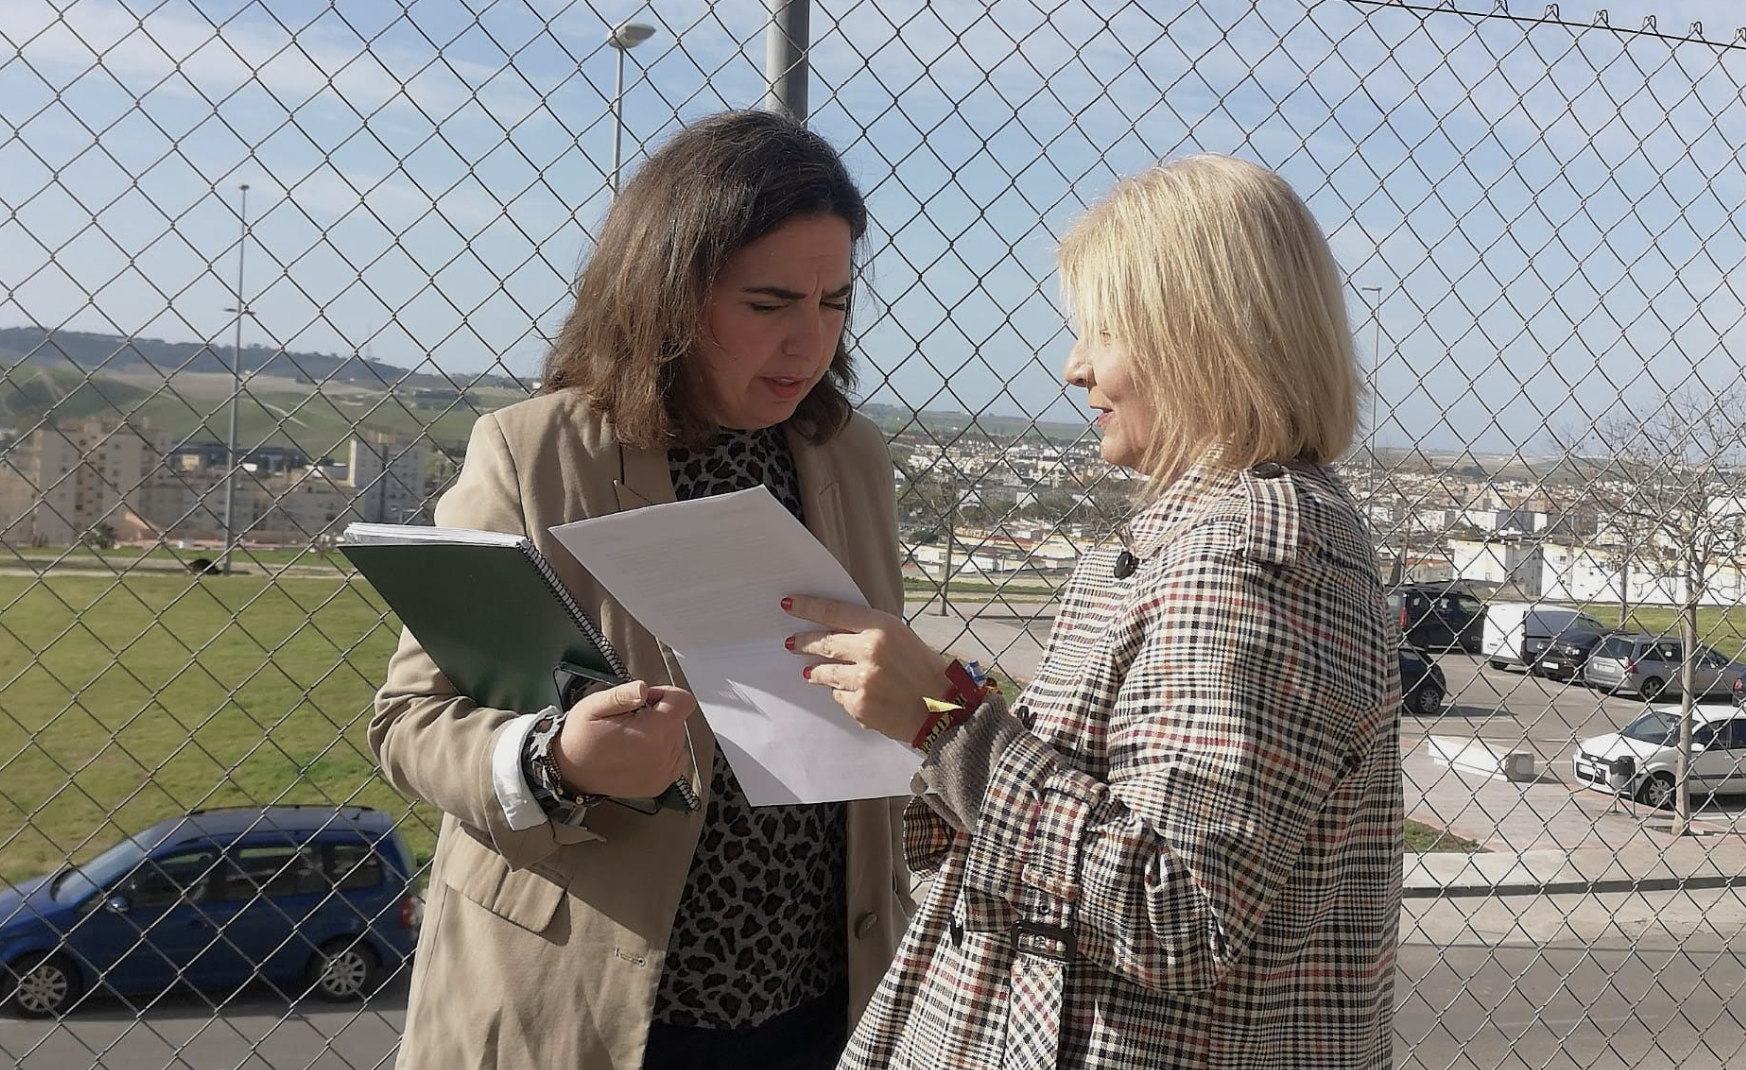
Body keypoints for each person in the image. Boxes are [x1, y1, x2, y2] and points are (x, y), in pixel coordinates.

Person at [781, 154, 1403, 1069]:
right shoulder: (1218, 530)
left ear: (1200, 337)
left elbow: (1179, 911)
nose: (1075, 367)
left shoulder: (1249, 556)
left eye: (1100, 331)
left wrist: (947, 722)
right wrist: (953, 711)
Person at [369, 109, 912, 1070]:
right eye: (769, 302)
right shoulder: (536, 454)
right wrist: (554, 762)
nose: (807, 343)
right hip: (594, 1003)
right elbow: (409, 721)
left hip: (818, 1000)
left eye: (834, 302)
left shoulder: (850, 456)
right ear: (667, 292)